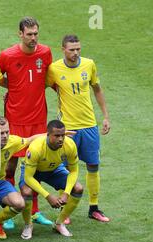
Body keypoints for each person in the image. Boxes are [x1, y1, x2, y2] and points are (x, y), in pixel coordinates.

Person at [46, 35, 111, 223]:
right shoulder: (54, 69)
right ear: (63, 49)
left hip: (89, 125)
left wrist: (105, 116)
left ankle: (94, 208)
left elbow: (97, 89)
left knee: (93, 165)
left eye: (78, 49)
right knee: (64, 168)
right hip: (67, 128)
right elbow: (48, 86)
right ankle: (63, 209)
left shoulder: (89, 64)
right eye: (72, 49)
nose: (75, 53)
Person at [0, 17, 53, 229]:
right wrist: (12, 88)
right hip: (15, 118)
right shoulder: (7, 55)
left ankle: (35, 211)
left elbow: (47, 77)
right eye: (29, 34)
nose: (33, 38)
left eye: (36, 34)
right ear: (20, 34)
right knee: (10, 165)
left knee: (34, 165)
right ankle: (10, 210)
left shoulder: (45, 53)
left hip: (38, 118)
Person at [19, 120, 84, 238]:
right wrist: (48, 196)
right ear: (48, 135)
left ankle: (59, 223)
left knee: (78, 188)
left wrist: (66, 193)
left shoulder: (69, 145)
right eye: (57, 136)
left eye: (63, 135)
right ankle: (28, 224)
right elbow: (28, 177)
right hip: (33, 171)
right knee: (26, 192)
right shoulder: (36, 148)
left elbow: (73, 171)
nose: (61, 139)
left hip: (54, 169)